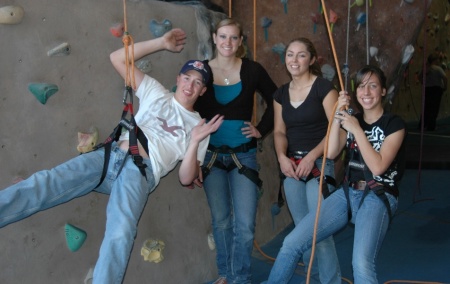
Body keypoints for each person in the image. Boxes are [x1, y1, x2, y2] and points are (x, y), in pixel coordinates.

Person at [0, 28, 223, 284]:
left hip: (140, 170)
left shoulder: (199, 128)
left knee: (121, 231)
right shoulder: (156, 92)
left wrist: (194, 140)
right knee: (46, 182)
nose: (190, 85)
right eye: (187, 78)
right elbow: (117, 58)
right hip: (110, 155)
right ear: (179, 78)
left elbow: (186, 179)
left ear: (203, 91)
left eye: (198, 82)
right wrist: (161, 42)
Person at [266, 65, 406, 284]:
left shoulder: (394, 124)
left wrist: (357, 130)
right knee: (292, 243)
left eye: (373, 86)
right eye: (361, 86)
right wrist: (337, 118)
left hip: (378, 194)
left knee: (361, 263)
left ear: (383, 91)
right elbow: (331, 152)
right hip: (349, 192)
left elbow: (378, 167)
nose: (366, 92)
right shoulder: (351, 120)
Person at [192, 18, 277, 284]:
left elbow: (277, 100)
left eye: (233, 38)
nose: (228, 42)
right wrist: (192, 158)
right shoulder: (202, 71)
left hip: (244, 155)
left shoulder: (252, 70)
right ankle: (226, 274)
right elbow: (185, 106)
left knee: (245, 226)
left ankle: (240, 277)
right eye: (223, 36)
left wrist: (261, 129)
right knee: (221, 222)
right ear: (214, 39)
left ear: (240, 42)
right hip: (210, 157)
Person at [273, 37, 341, 284]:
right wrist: (282, 157)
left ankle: (330, 281)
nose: (294, 59)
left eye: (301, 55)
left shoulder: (324, 89)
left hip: (320, 163)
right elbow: (280, 132)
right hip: (292, 166)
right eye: (290, 54)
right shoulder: (281, 94)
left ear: (311, 60)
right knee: (302, 229)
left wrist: (312, 157)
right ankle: (311, 277)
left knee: (318, 231)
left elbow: (334, 130)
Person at [418, 52, 448, 131]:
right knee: (434, 108)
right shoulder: (438, 68)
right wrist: (445, 87)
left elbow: (420, 77)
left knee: (426, 107)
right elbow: (445, 78)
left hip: (427, 89)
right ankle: (431, 126)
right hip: (436, 90)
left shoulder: (427, 69)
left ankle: (423, 125)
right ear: (435, 60)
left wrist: (424, 83)